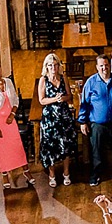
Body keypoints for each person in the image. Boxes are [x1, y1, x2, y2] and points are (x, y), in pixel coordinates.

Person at [78, 54, 112, 186]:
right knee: (96, 151)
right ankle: (95, 175)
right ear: (97, 67)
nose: (104, 68)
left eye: (106, 65)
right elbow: (84, 103)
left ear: (110, 65)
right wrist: (83, 121)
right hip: (98, 124)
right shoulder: (91, 83)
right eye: (101, 66)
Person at [0, 57, 35, 189]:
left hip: (10, 120)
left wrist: (12, 114)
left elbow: (15, 100)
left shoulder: (8, 82)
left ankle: (26, 171)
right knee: (2, 150)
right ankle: (4, 174)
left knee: (17, 146)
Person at [38, 53, 77, 188]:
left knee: (66, 145)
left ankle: (66, 173)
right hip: (50, 118)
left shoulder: (63, 77)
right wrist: (55, 99)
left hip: (64, 116)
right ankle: (52, 174)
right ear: (46, 67)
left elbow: (69, 96)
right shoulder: (43, 80)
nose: (53, 67)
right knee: (50, 147)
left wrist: (63, 98)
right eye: (50, 65)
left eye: (55, 65)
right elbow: (41, 100)